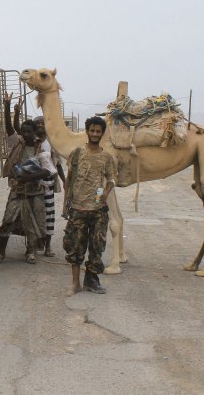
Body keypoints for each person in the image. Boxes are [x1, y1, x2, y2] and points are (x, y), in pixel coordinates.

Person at [62, 116, 117, 296]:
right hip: (78, 209)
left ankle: (92, 281)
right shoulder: (77, 153)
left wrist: (105, 194)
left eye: (98, 131)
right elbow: (68, 180)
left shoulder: (106, 157)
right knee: (75, 246)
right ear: (87, 131)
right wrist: (65, 205)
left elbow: (111, 180)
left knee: (97, 246)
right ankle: (75, 283)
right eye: (92, 130)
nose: (94, 134)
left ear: (102, 133)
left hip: (98, 211)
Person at [0, 119, 55, 265]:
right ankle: (1, 252)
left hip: (35, 191)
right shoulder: (18, 145)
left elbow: (48, 171)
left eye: (29, 131)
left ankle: (30, 251)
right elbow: (9, 127)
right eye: (23, 131)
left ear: (34, 133)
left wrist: (28, 177)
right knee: (8, 219)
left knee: (33, 222)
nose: (25, 134)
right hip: (18, 190)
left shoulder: (41, 149)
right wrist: (8, 107)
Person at [34, 116, 66, 257]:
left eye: (43, 123)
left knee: (49, 215)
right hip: (33, 183)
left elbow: (57, 164)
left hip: (48, 183)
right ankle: (34, 245)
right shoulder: (31, 141)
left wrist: (65, 181)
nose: (40, 125)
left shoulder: (52, 143)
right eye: (38, 123)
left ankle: (48, 247)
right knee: (34, 215)